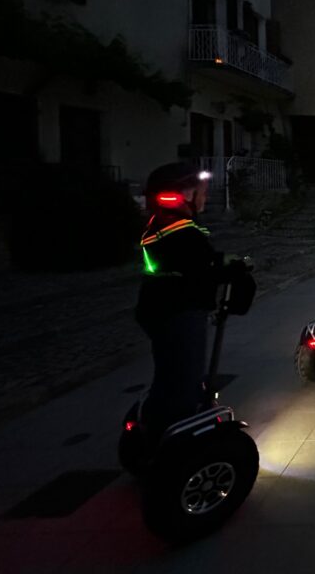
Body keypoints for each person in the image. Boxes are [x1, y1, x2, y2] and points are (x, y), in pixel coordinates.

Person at [136, 162, 226, 431]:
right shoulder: (182, 229)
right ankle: (178, 434)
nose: (206, 197)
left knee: (169, 373)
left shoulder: (163, 220)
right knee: (183, 378)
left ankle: (158, 425)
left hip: (159, 305)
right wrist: (226, 270)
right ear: (187, 194)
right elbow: (199, 266)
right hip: (179, 309)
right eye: (202, 191)